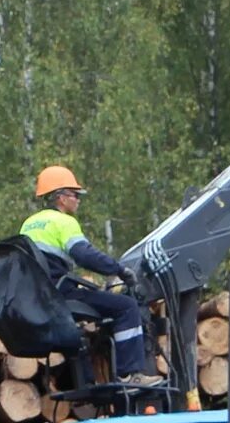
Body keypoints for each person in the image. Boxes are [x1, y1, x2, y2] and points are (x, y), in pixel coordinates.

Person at [21, 165, 158, 384]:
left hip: (39, 299)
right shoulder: (63, 222)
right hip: (62, 294)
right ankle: (130, 375)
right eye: (75, 195)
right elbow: (85, 255)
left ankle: (87, 378)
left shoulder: (28, 224)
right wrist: (119, 270)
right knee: (126, 307)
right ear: (61, 197)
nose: (78, 200)